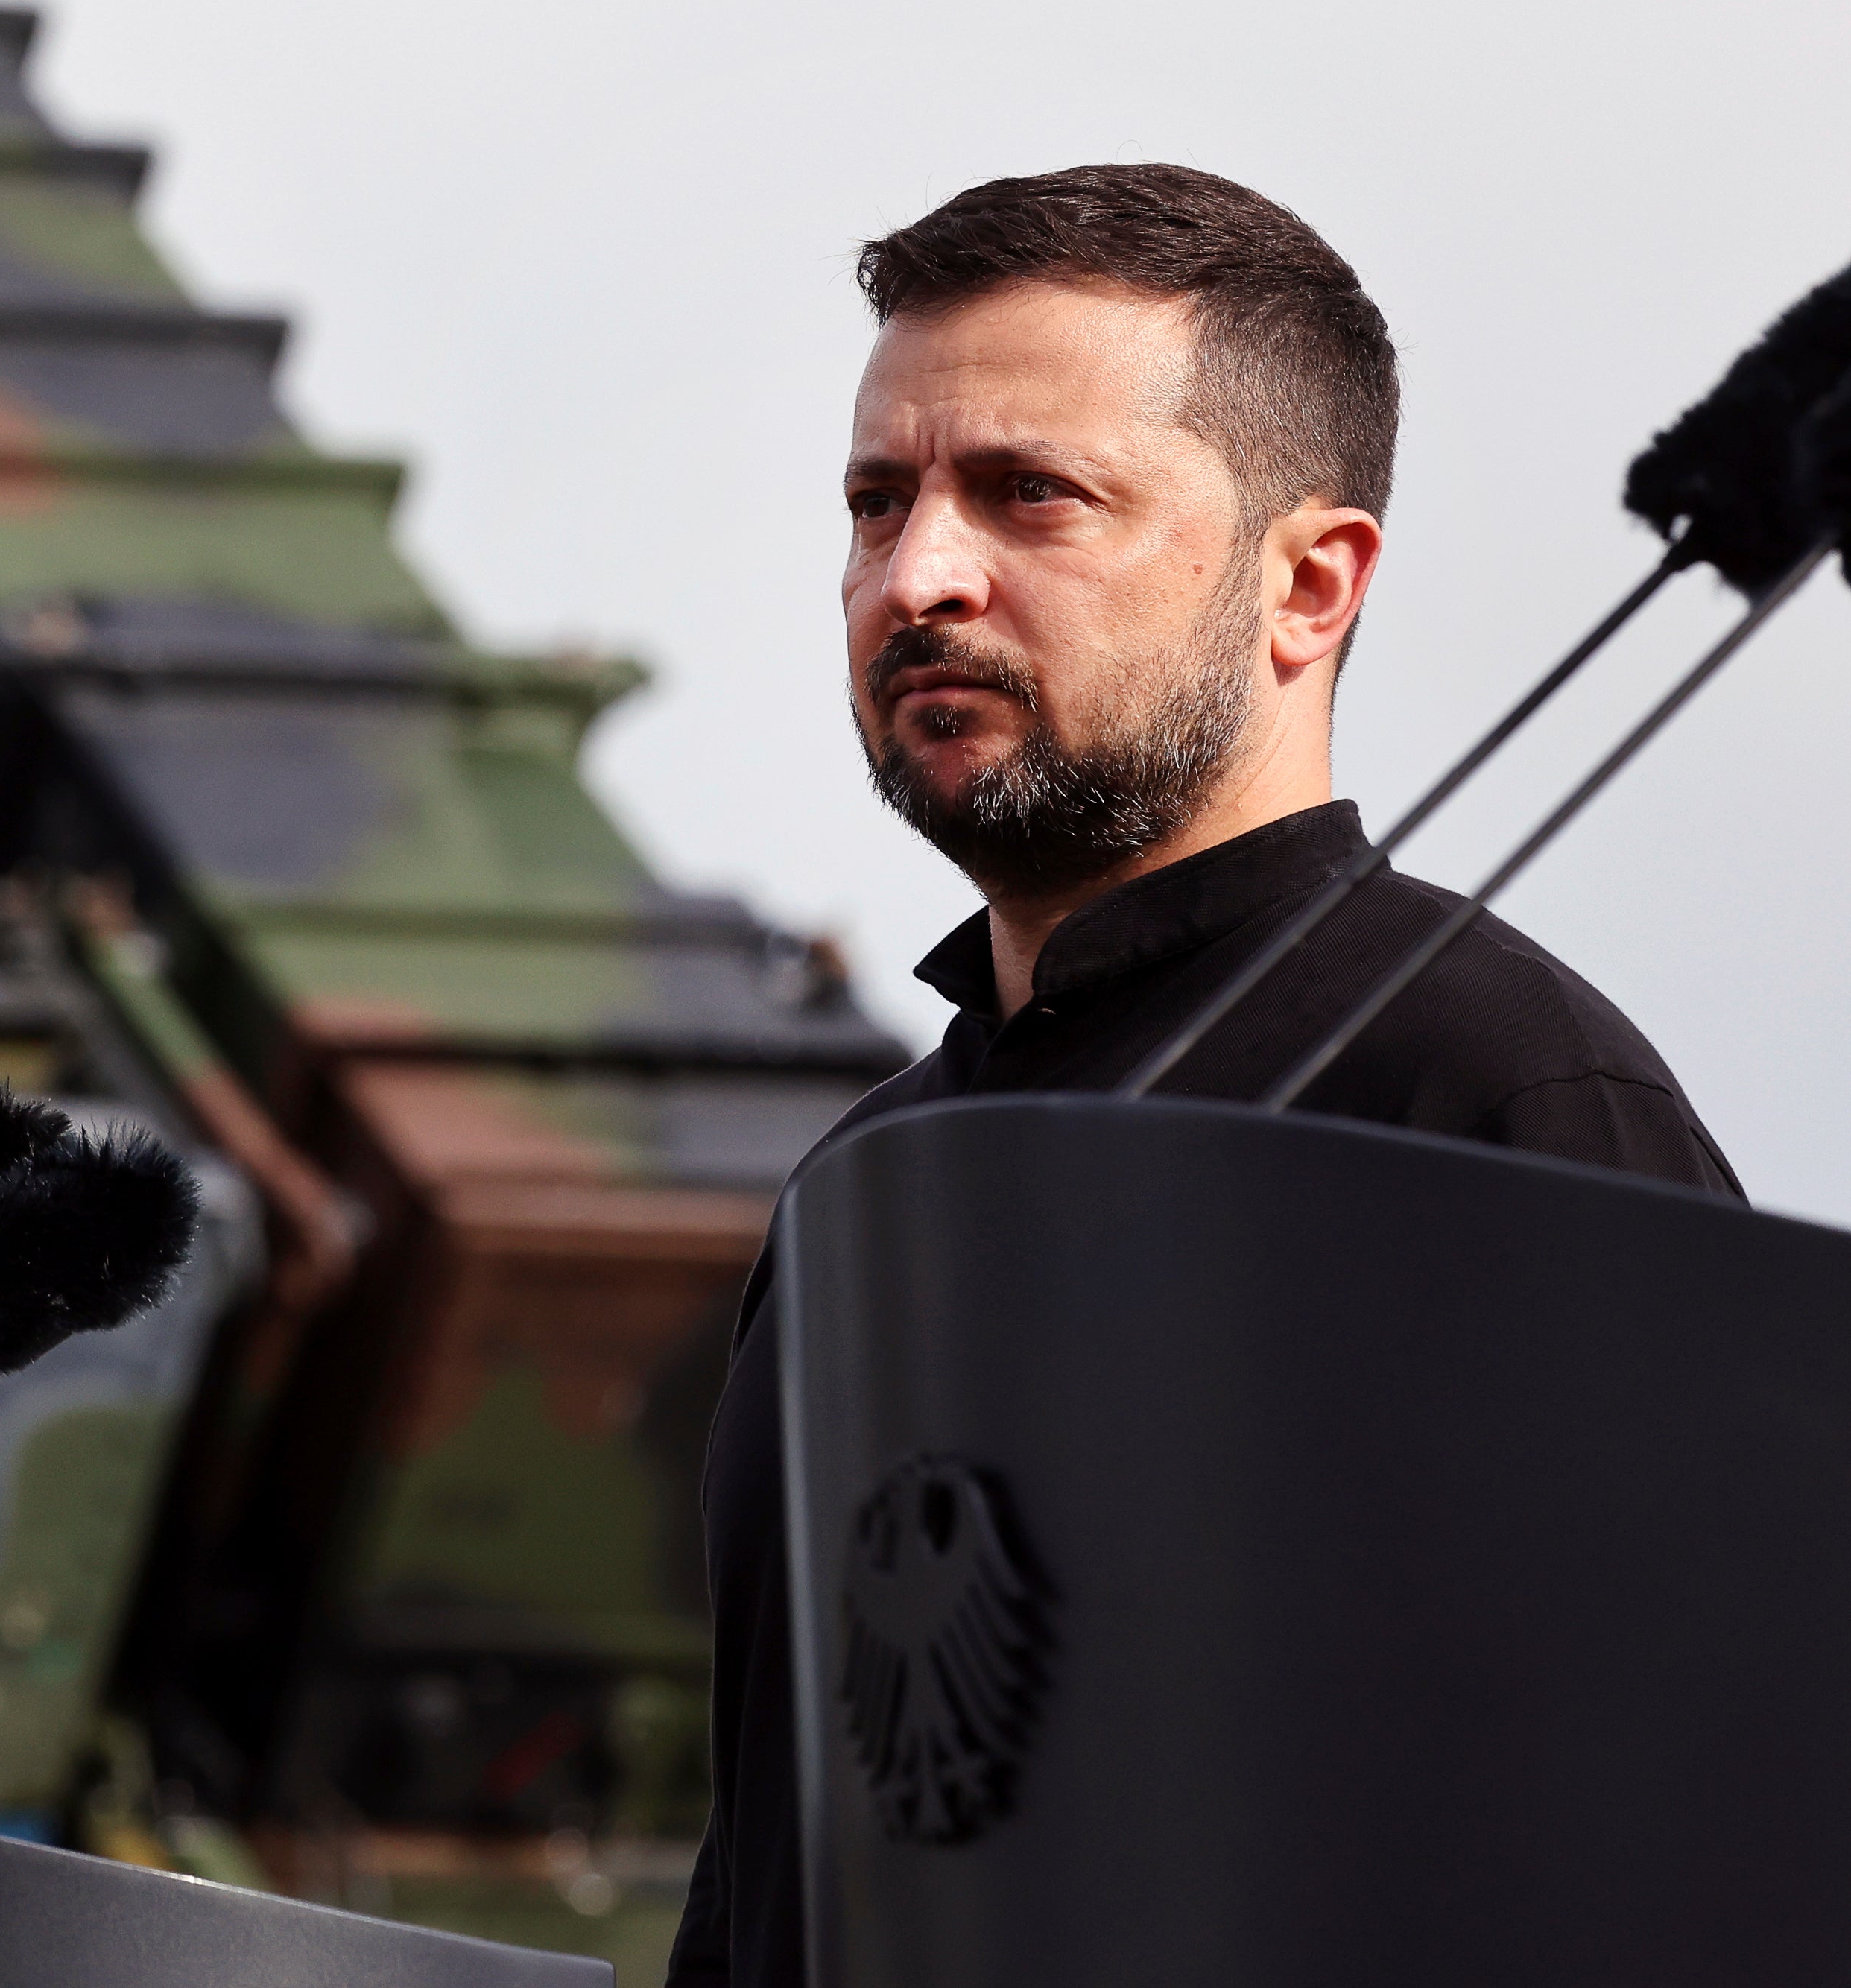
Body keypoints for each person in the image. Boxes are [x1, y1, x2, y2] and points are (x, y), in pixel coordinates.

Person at [665, 163, 1738, 1988]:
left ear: (1307, 582)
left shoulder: (1497, 1101)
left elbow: (1709, 1856)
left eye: (1031, 494)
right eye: (877, 499)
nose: (917, 573)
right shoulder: (867, 1181)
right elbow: (771, 1886)